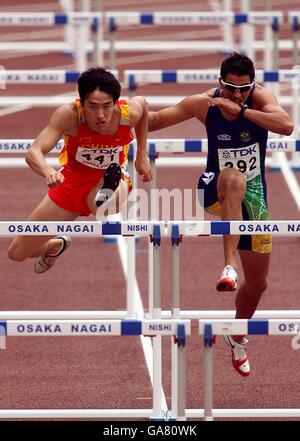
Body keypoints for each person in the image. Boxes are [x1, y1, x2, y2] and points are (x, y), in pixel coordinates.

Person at [148, 52, 294, 376]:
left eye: (244, 89)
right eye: (230, 89)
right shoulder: (205, 104)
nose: (237, 94)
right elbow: (156, 120)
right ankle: (228, 265)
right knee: (232, 178)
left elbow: (286, 125)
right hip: (214, 188)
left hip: (254, 197)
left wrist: (243, 110)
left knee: (258, 283)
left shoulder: (258, 99)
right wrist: (130, 113)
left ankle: (238, 334)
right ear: (220, 84)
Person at [8, 67, 152, 273]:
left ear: (116, 103)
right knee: (17, 253)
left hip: (109, 178)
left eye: (106, 106)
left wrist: (142, 155)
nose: (100, 115)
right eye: (92, 106)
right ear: (81, 103)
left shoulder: (129, 113)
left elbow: (144, 105)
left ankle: (107, 192)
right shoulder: (69, 116)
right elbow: (34, 152)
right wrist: (48, 171)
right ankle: (55, 245)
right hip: (71, 183)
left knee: (102, 206)